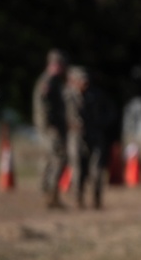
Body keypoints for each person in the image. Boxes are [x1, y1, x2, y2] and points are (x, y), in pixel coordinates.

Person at [65, 66, 115, 209]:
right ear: (74, 81)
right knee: (77, 169)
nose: (84, 84)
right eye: (81, 80)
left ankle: (97, 200)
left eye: (86, 81)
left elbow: (110, 112)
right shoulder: (66, 96)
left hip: (95, 136)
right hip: (76, 137)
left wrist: (100, 124)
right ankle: (78, 200)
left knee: (97, 169)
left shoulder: (96, 95)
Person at [33, 49, 69, 208]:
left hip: (53, 128)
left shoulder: (54, 81)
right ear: (54, 64)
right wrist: (50, 127)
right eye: (60, 65)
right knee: (58, 158)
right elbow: (43, 107)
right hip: (50, 129)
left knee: (50, 158)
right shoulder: (48, 82)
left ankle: (49, 193)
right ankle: (51, 194)